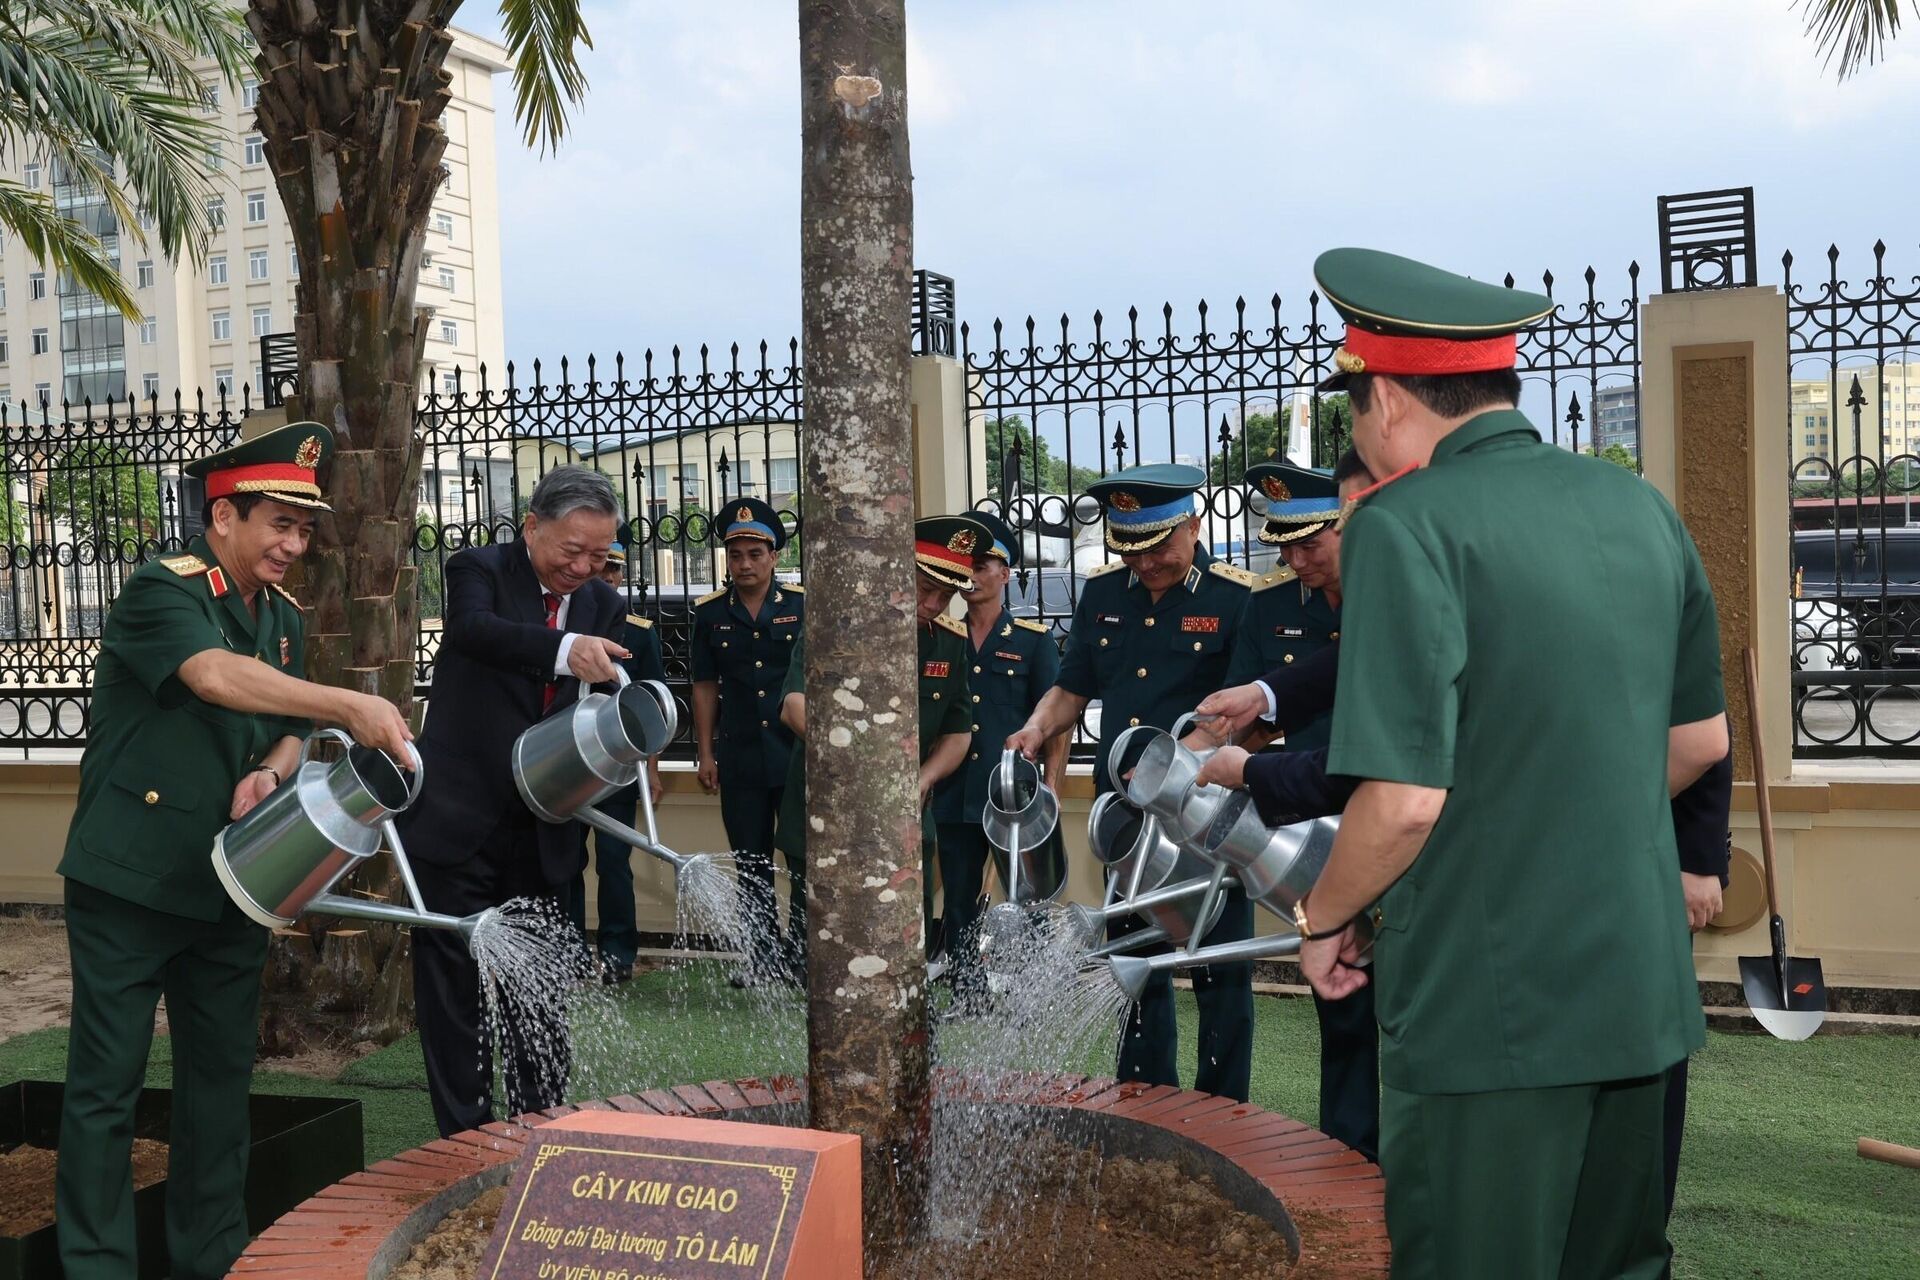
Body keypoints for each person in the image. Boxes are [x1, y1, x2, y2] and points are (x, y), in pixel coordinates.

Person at [1287, 247, 1728, 1278]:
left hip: (1491, 1011)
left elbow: (1401, 801)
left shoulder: (1404, 522)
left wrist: (1326, 914)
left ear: (1387, 398)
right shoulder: (1640, 506)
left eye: (1354, 407)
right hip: (1638, 995)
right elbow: (1697, 743)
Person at [55, 422, 413, 1280]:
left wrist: (271, 765)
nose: (293, 546)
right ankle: (98, 1268)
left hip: (235, 883)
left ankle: (210, 1258)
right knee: (106, 1088)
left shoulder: (282, 619)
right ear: (223, 516)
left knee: (217, 1091)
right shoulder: (161, 590)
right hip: (131, 880)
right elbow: (214, 676)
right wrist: (347, 706)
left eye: (303, 530)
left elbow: (282, 727)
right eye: (277, 526)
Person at [1005, 464, 1258, 1102]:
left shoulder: (1236, 598)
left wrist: (1181, 760)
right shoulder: (1104, 595)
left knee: (1218, 964)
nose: (1145, 563)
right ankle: (1147, 1099)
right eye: (1131, 549)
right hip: (1126, 818)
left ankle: (1222, 1110)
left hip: (1205, 811)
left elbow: (1253, 717)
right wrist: (1036, 729)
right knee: (1132, 959)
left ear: (1193, 527)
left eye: (1158, 548)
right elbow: (1072, 686)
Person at [397, 465, 633, 1138]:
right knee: (455, 1004)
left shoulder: (602, 605)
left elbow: (607, 700)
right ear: (532, 527)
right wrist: (566, 649)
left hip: (547, 834)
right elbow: (475, 632)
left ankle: (539, 1136)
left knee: (540, 1005)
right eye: (573, 551)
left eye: (600, 556)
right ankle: (465, 1146)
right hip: (455, 825)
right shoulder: (479, 569)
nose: (585, 567)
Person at [1214, 453, 1381, 1162]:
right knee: (1341, 1001)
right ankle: (1351, 1160)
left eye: (1310, 542)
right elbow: (1251, 713)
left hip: (1385, 816)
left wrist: (1250, 765)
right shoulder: (1273, 605)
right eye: (1283, 544)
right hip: (1311, 830)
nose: (1294, 558)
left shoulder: (1389, 600)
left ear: (1349, 529)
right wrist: (1203, 764)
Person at [775, 516, 979, 964]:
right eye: (924, 588)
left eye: (944, 595)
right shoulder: (836, 621)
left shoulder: (949, 642)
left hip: (902, 817)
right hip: (829, 810)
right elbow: (793, 705)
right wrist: (862, 767)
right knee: (827, 951)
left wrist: (924, 778)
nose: (932, 604)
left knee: (903, 947)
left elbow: (958, 732)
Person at [929, 510, 1065, 1012]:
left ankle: (1034, 991)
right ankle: (968, 988)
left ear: (1006, 573)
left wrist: (1050, 785)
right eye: (967, 564)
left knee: (1026, 897)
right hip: (957, 790)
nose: (973, 573)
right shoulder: (943, 636)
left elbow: (1055, 720)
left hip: (1014, 795)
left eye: (985, 564)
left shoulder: (1031, 640)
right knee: (960, 897)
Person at [689, 497, 804, 981]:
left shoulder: (801, 606)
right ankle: (761, 959)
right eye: (736, 555)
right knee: (750, 861)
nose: (745, 564)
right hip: (740, 757)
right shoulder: (710, 614)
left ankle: (801, 956)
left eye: (755, 553)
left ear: (774, 557)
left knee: (802, 859)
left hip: (794, 754)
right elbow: (704, 687)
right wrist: (706, 751)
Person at [564, 542, 665, 982]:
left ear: (620, 577)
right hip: (568, 763)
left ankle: (618, 954)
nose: (605, 579)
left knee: (613, 860)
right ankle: (565, 949)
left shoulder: (639, 632)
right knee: (565, 861)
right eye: (598, 572)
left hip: (620, 767)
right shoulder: (566, 630)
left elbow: (653, 706)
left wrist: (654, 769)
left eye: (612, 572)